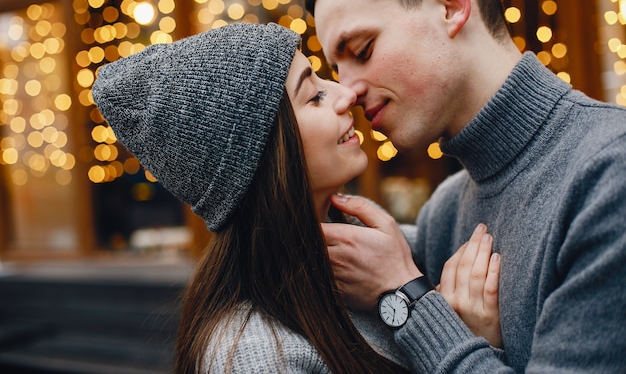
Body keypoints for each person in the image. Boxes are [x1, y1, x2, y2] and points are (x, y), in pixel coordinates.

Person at [91, 22, 500, 374]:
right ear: (266, 153)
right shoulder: (254, 354)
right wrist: (420, 308)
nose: (345, 94)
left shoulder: (378, 251)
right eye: (314, 96)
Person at [304, 0, 626, 373]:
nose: (346, 93)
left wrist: (408, 298)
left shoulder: (609, 174)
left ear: (451, 5)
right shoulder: (445, 211)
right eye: (335, 69)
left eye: (362, 50)